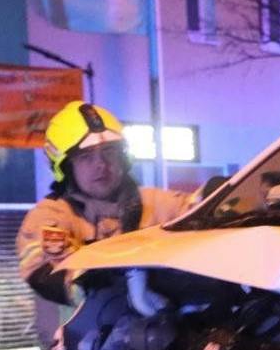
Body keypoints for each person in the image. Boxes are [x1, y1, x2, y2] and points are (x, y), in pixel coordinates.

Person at [18, 101, 187, 305]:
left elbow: (201, 208)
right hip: (95, 334)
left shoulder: (154, 202)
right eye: (86, 156)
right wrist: (96, 282)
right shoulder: (52, 217)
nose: (101, 164)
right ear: (66, 167)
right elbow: (46, 269)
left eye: (109, 152)